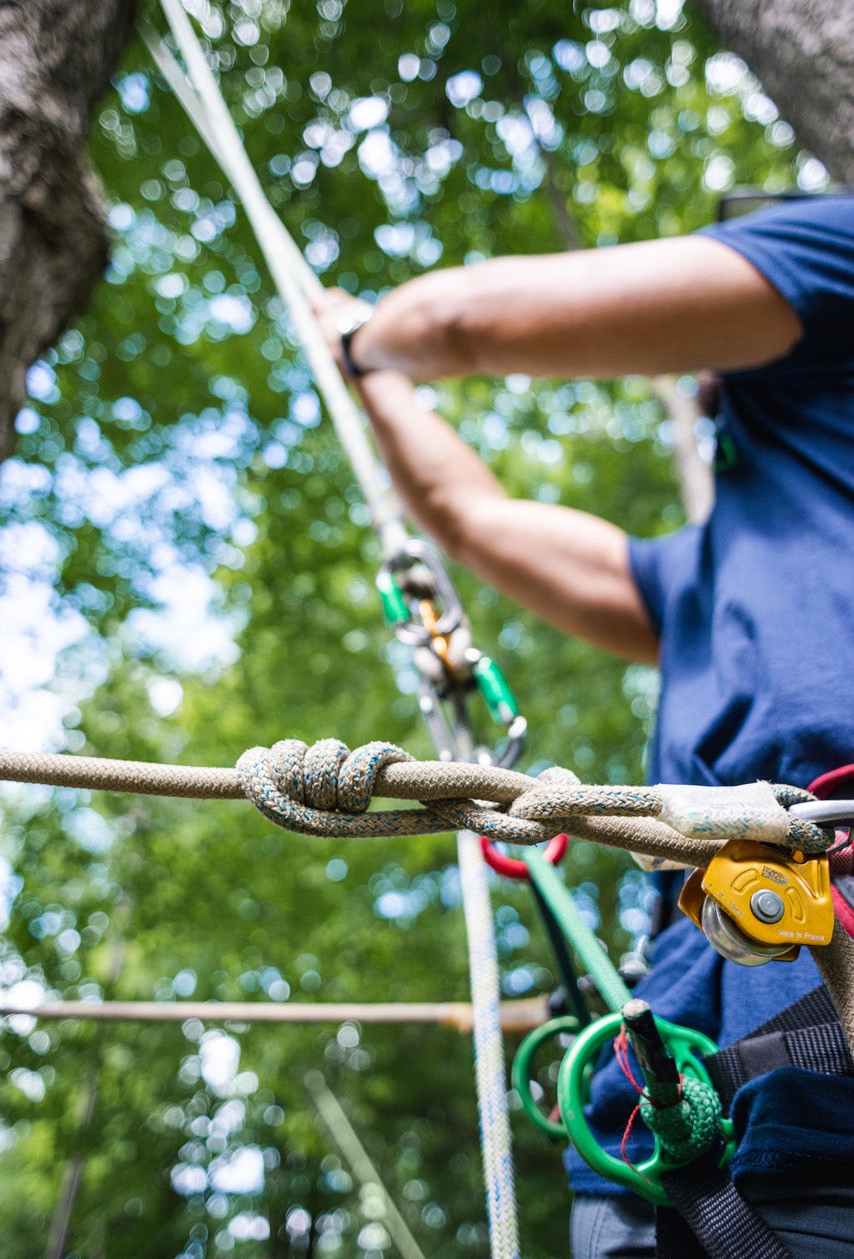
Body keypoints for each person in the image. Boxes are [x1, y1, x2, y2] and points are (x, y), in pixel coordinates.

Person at [311, 193, 854, 1257]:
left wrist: (354, 332)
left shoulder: (832, 254)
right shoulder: (697, 576)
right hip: (661, 1116)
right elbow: (469, 517)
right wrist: (371, 384)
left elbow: (467, 322)